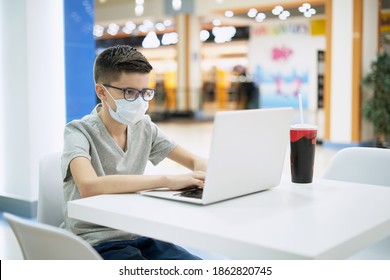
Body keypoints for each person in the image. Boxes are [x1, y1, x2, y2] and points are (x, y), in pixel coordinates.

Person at [61, 45, 207, 260]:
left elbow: (195, 161)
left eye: (145, 92)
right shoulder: (78, 131)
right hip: (96, 241)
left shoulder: (144, 127)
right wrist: (167, 180)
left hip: (139, 231)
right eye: (129, 92)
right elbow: (89, 186)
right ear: (101, 91)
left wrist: (216, 174)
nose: (140, 101)